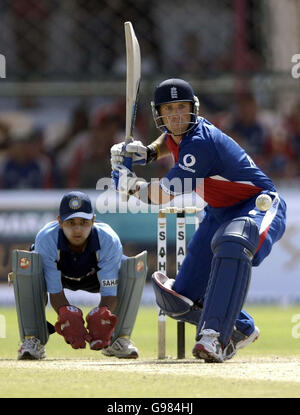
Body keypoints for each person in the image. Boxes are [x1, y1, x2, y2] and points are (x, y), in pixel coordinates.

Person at [110, 78, 287, 363]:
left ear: (194, 110)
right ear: (160, 115)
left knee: (232, 242)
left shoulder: (200, 143)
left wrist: (131, 187)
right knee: (179, 300)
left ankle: (215, 337)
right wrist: (151, 152)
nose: (177, 115)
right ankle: (242, 329)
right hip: (219, 211)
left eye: (183, 108)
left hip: (257, 204)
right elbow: (169, 140)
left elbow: (164, 195)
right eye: (169, 110)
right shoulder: (177, 136)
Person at [13, 191, 147, 360]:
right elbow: (56, 293)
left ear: (93, 221)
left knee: (132, 267)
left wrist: (102, 315)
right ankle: (32, 340)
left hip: (94, 278)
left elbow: (109, 294)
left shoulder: (108, 239)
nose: (77, 229)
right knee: (26, 265)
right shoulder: (47, 238)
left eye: (84, 222)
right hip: (60, 276)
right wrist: (66, 314)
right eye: (71, 222)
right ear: (60, 222)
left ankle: (118, 339)